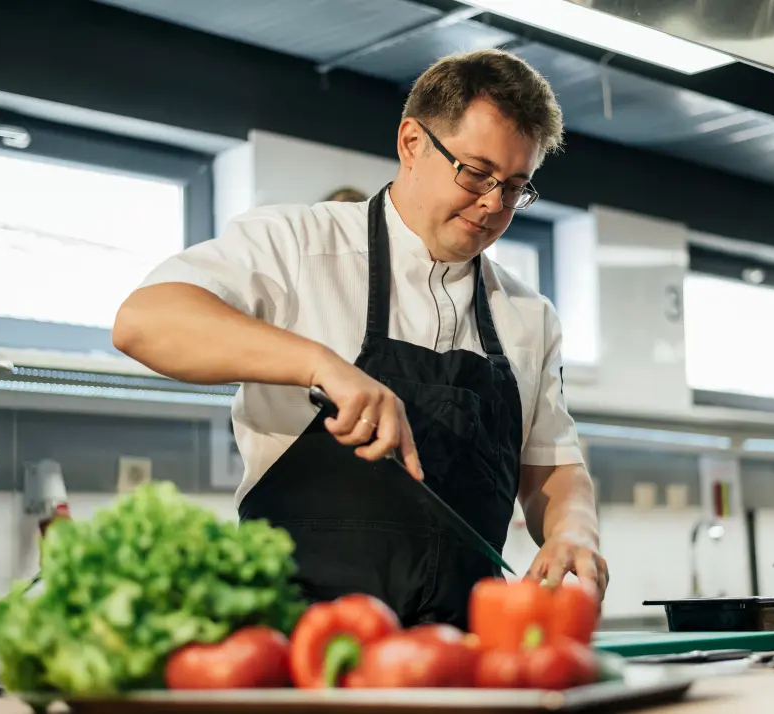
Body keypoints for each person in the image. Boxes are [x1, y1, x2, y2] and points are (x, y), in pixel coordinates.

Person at [112, 48, 608, 628]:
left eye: (516, 186)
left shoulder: (529, 314)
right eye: (475, 172)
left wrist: (574, 529)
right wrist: (322, 365)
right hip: (303, 650)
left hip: (463, 658)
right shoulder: (296, 243)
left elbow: (551, 465)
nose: (493, 204)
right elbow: (144, 321)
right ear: (412, 143)